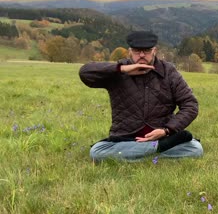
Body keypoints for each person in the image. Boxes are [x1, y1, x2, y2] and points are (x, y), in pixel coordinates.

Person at [79, 31, 203, 162]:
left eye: (147, 51)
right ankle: (158, 150)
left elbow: (190, 105)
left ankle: (140, 153)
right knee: (96, 152)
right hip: (126, 138)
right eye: (137, 51)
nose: (142, 55)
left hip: (161, 136)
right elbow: (85, 73)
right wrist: (123, 69)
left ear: (154, 51)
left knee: (196, 149)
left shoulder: (169, 72)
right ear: (130, 51)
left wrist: (167, 130)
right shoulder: (118, 71)